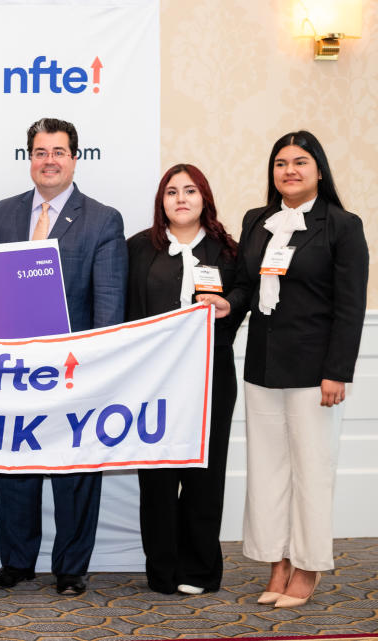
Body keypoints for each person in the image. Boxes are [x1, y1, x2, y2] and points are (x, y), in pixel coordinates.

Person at [199, 131, 368, 608]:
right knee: (268, 471)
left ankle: (309, 566)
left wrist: (338, 371)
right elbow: (246, 288)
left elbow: (350, 307)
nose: (289, 170)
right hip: (263, 367)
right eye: (280, 163)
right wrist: (227, 306)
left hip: (316, 373)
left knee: (311, 472)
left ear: (319, 170)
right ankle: (277, 563)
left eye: (299, 162)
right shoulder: (258, 221)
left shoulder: (342, 225)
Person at [0, 118, 127, 595]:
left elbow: (108, 301)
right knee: (17, 473)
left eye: (59, 152)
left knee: (75, 476)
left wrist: (95, 369)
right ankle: (17, 562)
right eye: (40, 152)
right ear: (29, 159)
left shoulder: (102, 218)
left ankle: (70, 569)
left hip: (74, 370)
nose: (49, 160)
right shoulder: (2, 214)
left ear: (74, 158)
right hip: (13, 369)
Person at [127, 164, 243, 595]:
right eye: (171, 191)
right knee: (156, 479)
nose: (180, 198)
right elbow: (124, 308)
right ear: (161, 202)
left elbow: (246, 292)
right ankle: (162, 570)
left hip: (211, 378)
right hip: (153, 382)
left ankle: (198, 570)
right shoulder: (138, 248)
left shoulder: (227, 250)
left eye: (190, 191)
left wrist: (230, 303)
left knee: (203, 477)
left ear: (204, 199)